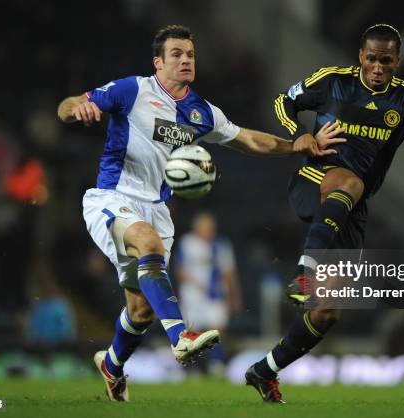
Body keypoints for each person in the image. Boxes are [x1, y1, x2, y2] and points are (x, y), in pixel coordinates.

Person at [57, 25, 334, 402]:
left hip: (157, 210)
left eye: (190, 54)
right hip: (112, 196)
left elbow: (248, 139)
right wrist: (78, 108)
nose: (185, 60)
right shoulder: (132, 90)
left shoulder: (202, 113)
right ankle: (181, 337)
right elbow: (67, 105)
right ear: (158, 62)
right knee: (147, 244)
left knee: (140, 312)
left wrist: (294, 146)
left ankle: (113, 365)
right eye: (176, 54)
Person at [245, 23, 404, 403]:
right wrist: (300, 134)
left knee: (328, 312)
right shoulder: (332, 82)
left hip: (351, 209)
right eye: (372, 59)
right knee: (351, 183)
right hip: (316, 179)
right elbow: (284, 100)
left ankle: (264, 370)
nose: (378, 67)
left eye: (386, 61)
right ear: (361, 57)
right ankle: (303, 273)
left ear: (397, 62)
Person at [175, 212, 241, 376]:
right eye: (205, 227)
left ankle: (216, 363)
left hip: (215, 295)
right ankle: (192, 367)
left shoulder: (221, 245)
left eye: (211, 227)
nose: (209, 230)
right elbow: (180, 269)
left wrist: (234, 296)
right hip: (192, 295)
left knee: (217, 329)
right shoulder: (187, 243)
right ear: (196, 228)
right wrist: (195, 286)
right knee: (191, 332)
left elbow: (229, 272)